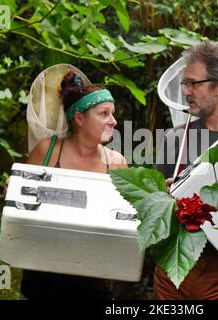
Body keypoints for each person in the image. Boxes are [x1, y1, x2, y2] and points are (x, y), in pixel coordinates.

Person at [154, 41, 218, 300]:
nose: (186, 92)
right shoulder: (176, 138)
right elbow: (151, 209)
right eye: (184, 84)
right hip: (172, 269)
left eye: (193, 84)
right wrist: (161, 197)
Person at [20, 70, 127, 300]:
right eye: (104, 114)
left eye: (113, 114)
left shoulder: (117, 163)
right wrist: (16, 188)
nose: (113, 121)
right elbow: (23, 205)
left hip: (94, 278)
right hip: (43, 273)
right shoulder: (47, 151)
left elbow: (125, 217)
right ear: (79, 118)